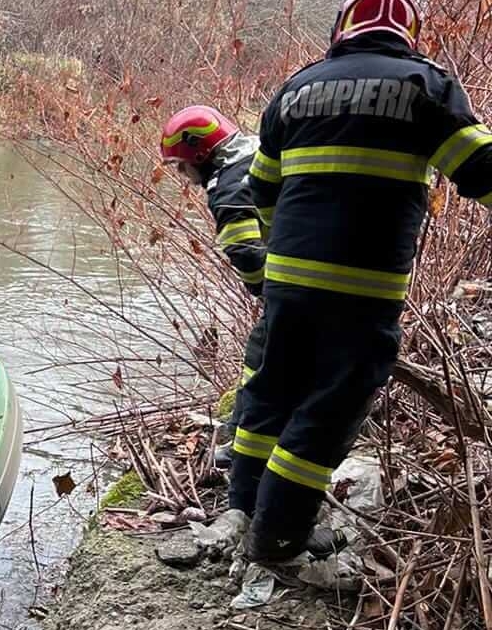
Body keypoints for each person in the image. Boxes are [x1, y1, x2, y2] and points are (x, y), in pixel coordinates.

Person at [234, 0, 492, 563]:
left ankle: (243, 506)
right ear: (408, 33)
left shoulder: (294, 89)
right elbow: (480, 171)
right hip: (361, 288)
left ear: (342, 30)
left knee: (274, 387)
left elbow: (261, 188)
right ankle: (278, 539)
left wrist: (286, 248)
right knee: (332, 405)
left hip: (286, 281)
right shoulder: (426, 86)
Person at [160, 106, 269, 467]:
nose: (181, 173)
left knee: (262, 358)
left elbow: (245, 250)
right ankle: (240, 432)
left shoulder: (229, 186)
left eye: (181, 164)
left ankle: (243, 450)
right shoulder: (260, 150)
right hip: (326, 260)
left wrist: (267, 291)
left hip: (297, 282)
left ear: (201, 155)